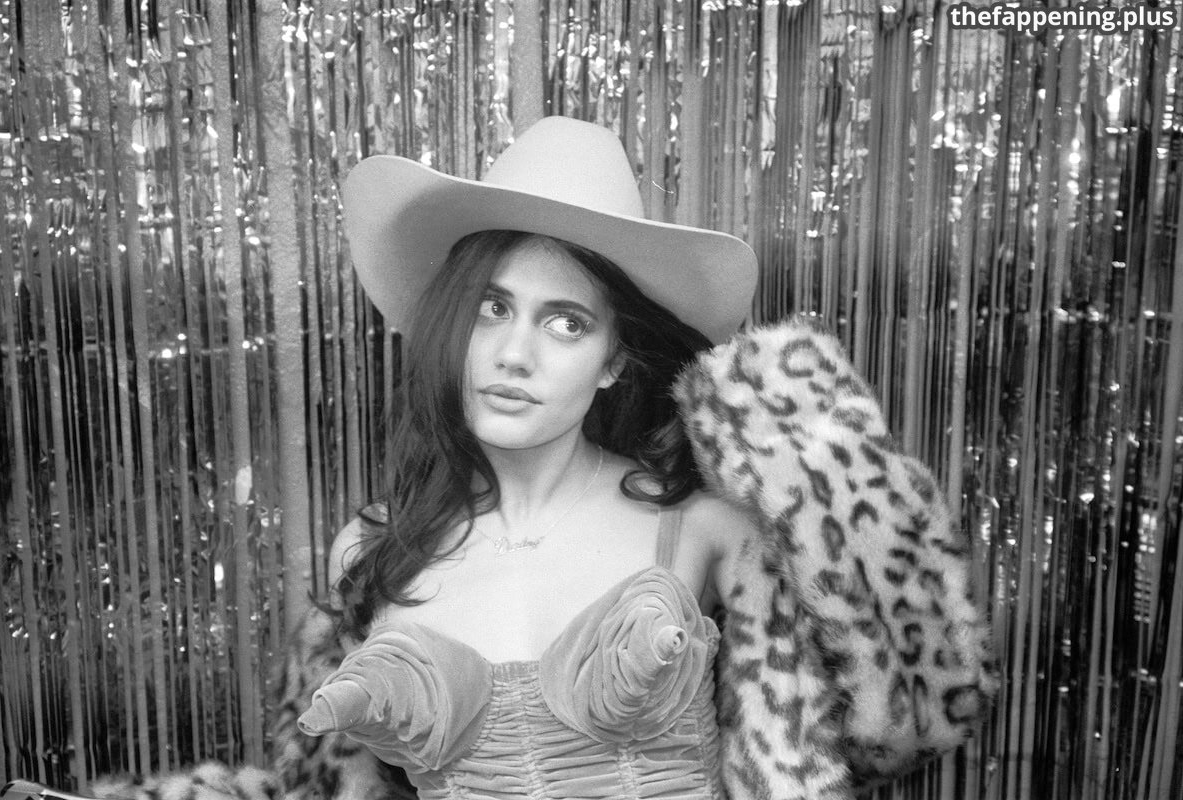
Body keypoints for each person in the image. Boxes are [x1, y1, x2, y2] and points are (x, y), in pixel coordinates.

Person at [294, 117, 995, 800]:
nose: (514, 355)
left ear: (613, 362)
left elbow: (901, 719)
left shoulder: (701, 527)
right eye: (491, 308)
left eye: (566, 323)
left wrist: (812, 452)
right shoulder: (373, 548)